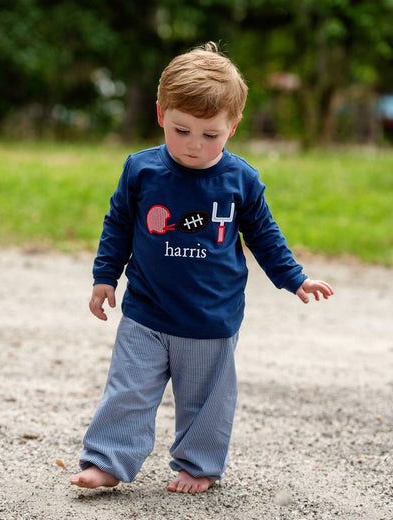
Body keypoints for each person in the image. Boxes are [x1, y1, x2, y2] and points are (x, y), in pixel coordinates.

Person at [70, 42, 334, 494]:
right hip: (146, 312)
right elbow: (118, 224)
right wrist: (103, 278)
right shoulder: (141, 170)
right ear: (160, 114)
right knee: (128, 391)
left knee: (206, 400)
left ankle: (199, 465)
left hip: (211, 317)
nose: (194, 145)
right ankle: (108, 460)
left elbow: (264, 236)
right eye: (181, 130)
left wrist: (295, 278)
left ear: (233, 126)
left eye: (210, 135)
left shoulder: (241, 180)